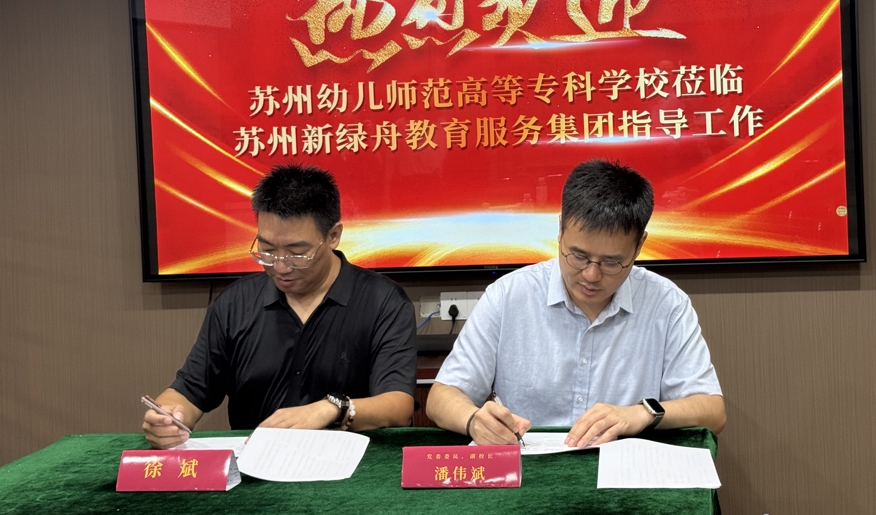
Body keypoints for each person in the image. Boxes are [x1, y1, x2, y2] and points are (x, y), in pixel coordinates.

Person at [426, 158, 724, 447]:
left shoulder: (666, 304)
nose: (591, 275)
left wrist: (641, 413)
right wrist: (474, 420)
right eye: (578, 256)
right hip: (528, 469)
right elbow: (441, 397)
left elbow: (712, 411)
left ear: (639, 246)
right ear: (560, 230)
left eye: (611, 262)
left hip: (623, 471)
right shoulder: (508, 296)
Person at [143, 164, 416, 447]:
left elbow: (398, 405)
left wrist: (331, 408)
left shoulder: (383, 302)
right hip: (254, 462)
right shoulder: (235, 303)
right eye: (268, 250)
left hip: (351, 461)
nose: (281, 267)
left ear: (333, 236)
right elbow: (189, 391)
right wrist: (168, 418)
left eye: (298, 253)